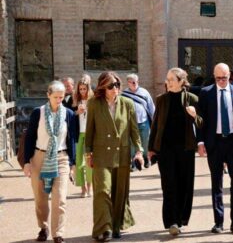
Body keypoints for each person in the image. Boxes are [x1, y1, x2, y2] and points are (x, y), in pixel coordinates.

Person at [85, 71, 144, 241]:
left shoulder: (128, 103)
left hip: (122, 154)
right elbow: (90, 131)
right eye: (111, 86)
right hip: (101, 154)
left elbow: (134, 130)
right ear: (103, 87)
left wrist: (139, 151)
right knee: (102, 191)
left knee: (120, 193)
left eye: (117, 85)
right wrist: (88, 153)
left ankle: (116, 225)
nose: (115, 89)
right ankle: (104, 229)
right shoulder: (94, 104)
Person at [198, 63, 233, 236]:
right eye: (218, 78)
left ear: (230, 76)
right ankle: (218, 222)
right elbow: (201, 120)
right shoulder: (206, 93)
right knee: (217, 183)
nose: (221, 81)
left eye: (225, 78)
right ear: (214, 77)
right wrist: (200, 142)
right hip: (215, 143)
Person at [148, 68, 203, 236]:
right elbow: (155, 124)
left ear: (181, 81)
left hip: (185, 149)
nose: (168, 82)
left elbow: (202, 124)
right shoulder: (161, 100)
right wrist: (151, 148)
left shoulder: (192, 99)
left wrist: (195, 116)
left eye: (172, 79)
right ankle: (172, 221)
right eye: (167, 79)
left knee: (184, 185)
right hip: (165, 150)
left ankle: (181, 220)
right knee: (169, 184)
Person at [23, 80, 77, 243]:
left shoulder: (68, 114)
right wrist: (27, 162)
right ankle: (43, 227)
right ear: (48, 95)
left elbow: (71, 139)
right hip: (40, 157)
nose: (59, 100)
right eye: (56, 97)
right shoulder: (37, 113)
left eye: (62, 97)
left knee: (60, 198)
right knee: (40, 198)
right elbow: (30, 137)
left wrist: (73, 163)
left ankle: (58, 233)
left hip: (61, 157)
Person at [121, 73, 155, 169]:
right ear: (128, 83)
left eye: (135, 81)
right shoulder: (124, 94)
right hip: (131, 123)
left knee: (145, 141)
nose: (134, 83)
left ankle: (145, 159)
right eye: (131, 81)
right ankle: (134, 162)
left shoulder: (144, 92)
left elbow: (151, 107)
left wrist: (155, 121)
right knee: (132, 143)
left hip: (144, 121)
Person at [72, 78, 94, 198]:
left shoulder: (93, 101)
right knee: (78, 162)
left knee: (89, 162)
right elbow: (70, 116)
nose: (82, 91)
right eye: (80, 89)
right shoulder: (75, 100)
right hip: (79, 134)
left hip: (90, 134)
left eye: (84, 89)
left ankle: (90, 188)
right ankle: (82, 188)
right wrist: (77, 112)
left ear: (88, 89)